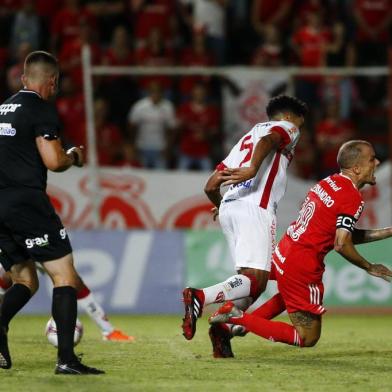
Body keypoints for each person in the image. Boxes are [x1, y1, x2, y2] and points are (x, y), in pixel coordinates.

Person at [209, 140, 392, 351]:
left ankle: (233, 327)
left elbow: (344, 235)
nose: (377, 162)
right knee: (307, 337)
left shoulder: (329, 182)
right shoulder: (352, 197)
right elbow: (341, 244)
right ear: (357, 168)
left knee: (287, 298)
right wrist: (370, 267)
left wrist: (388, 232)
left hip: (285, 250)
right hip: (302, 265)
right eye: (372, 159)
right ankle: (236, 316)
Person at [0, 50, 104, 374]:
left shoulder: (2, 109)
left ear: (22, 78)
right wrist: (73, 155)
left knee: (25, 279)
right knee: (64, 276)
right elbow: (53, 161)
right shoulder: (40, 109)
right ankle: (66, 360)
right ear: (53, 82)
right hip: (26, 203)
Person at [181, 95, 308, 357]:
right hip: (255, 208)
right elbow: (270, 139)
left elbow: (210, 185)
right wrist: (252, 170)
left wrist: (222, 204)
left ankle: (222, 329)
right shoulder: (285, 128)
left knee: (253, 283)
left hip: (230, 207)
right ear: (288, 117)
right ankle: (200, 297)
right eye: (299, 123)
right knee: (254, 279)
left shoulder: (245, 138)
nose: (299, 131)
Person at [0, 266, 134, 342]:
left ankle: (109, 331)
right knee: (10, 278)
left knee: (74, 281)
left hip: (33, 236)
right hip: (26, 235)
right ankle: (109, 331)